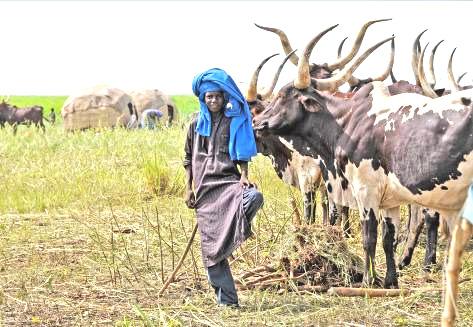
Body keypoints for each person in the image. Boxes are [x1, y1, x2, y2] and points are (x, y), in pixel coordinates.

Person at [183, 68, 264, 308]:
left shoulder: (232, 123)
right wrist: (188, 188)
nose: (214, 100)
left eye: (217, 96)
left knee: (254, 196)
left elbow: (241, 154)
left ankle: (231, 232)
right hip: (205, 191)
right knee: (211, 250)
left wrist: (245, 176)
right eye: (209, 97)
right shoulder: (195, 125)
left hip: (229, 182)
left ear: (224, 98)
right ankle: (228, 302)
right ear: (203, 99)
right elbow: (188, 159)